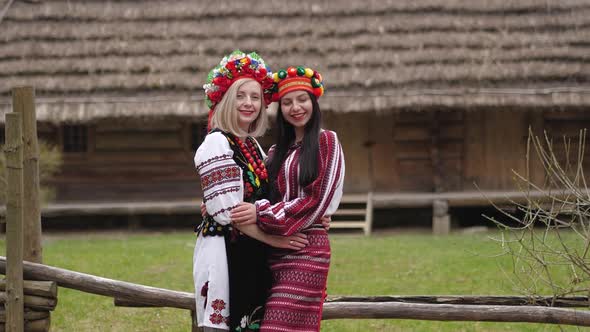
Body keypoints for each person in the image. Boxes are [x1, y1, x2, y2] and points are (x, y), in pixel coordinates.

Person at [193, 51, 310, 332]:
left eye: (255, 97)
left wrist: (315, 215)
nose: (248, 103)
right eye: (240, 96)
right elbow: (228, 214)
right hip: (227, 251)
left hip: (251, 249)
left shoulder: (251, 145)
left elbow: (262, 197)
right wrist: (276, 241)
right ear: (226, 100)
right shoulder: (217, 143)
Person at [231, 66, 345, 332]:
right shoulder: (274, 153)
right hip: (273, 250)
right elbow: (257, 192)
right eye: (287, 102)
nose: (296, 107)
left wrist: (260, 213)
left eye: (302, 99)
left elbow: (315, 201)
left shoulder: (326, 141)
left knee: (276, 327)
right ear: (279, 108)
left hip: (306, 250)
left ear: (314, 102)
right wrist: (216, 206)